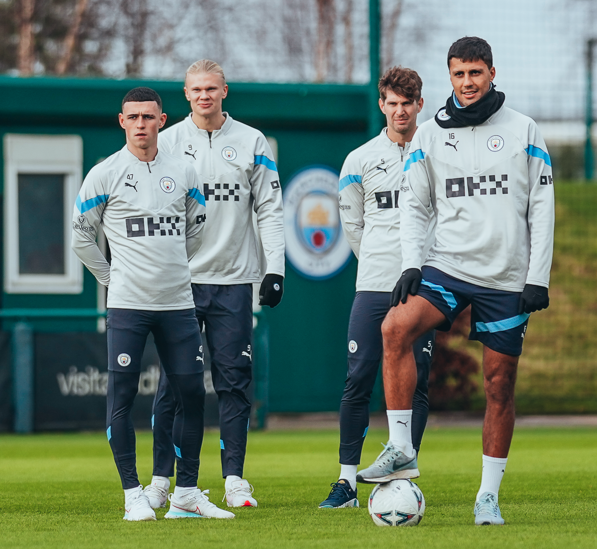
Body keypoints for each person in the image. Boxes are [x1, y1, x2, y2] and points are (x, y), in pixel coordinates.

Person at [360, 37, 554, 526]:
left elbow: (542, 207)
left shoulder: (524, 130)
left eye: (475, 73)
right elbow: (415, 206)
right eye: (458, 74)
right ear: (449, 77)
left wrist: (538, 276)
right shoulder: (428, 135)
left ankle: (488, 497)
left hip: (507, 278)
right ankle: (401, 448)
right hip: (447, 267)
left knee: (498, 386)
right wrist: (411, 263)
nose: (467, 83)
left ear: (492, 72)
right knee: (394, 328)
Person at [71, 86, 234, 521]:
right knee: (122, 399)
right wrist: (111, 279)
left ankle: (186, 494)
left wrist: (175, 264)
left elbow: (196, 227)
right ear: (121, 122)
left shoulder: (184, 170)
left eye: (149, 117)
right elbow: (81, 237)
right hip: (127, 306)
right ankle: (132, 495)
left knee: (192, 396)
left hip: (179, 304)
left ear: (163, 120)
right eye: (133, 117)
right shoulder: (104, 174)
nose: (141, 124)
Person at [146, 59, 285, 509]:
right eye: (196, 89)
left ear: (225, 91)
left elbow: (269, 209)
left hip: (233, 283)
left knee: (234, 383)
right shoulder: (166, 143)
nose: (204, 95)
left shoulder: (252, 141)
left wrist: (275, 269)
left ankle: (234, 480)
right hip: (179, 286)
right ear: (185, 95)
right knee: (173, 385)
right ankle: (161, 481)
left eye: (211, 88)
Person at [319, 66, 435, 509]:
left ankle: (404, 474)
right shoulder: (359, 159)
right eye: (393, 102)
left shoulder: (437, 153)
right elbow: (354, 225)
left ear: (420, 104)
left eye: (409, 103)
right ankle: (347, 481)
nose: (401, 110)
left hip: (424, 284)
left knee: (417, 381)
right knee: (358, 379)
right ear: (381, 104)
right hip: (373, 283)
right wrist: (378, 261)